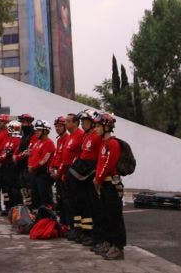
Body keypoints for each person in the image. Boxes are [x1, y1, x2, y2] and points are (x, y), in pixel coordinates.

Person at [92, 112, 125, 260]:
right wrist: (97, 179)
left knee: (114, 217)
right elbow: (99, 164)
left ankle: (118, 247)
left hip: (112, 185)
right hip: (103, 185)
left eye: (98, 126)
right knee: (105, 216)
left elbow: (109, 165)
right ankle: (108, 242)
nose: (96, 129)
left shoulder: (113, 143)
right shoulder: (103, 144)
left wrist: (98, 179)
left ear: (106, 127)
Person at [69, 108, 102, 246]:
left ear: (93, 122)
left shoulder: (96, 137)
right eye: (82, 121)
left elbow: (98, 157)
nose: (82, 124)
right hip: (81, 174)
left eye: (85, 121)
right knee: (80, 204)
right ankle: (81, 231)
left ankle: (90, 234)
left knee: (90, 205)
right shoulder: (86, 136)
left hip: (90, 175)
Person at [27, 119, 56, 209]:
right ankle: (38, 218)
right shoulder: (37, 142)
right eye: (36, 130)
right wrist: (29, 165)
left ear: (45, 131)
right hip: (35, 173)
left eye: (39, 130)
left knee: (45, 197)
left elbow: (44, 160)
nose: (36, 132)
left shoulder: (49, 143)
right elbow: (31, 155)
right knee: (35, 197)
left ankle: (48, 217)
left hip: (43, 174)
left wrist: (33, 167)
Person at [0, 120, 23, 215]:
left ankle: (14, 207)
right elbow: (3, 151)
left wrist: (0, 159)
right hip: (5, 167)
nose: (7, 130)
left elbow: (8, 153)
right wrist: (0, 158)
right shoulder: (9, 139)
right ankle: (7, 206)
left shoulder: (17, 140)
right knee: (5, 189)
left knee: (13, 189)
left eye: (9, 128)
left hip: (12, 168)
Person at [50, 116, 69, 223]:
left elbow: (65, 159)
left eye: (60, 126)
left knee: (65, 200)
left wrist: (59, 173)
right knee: (59, 199)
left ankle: (66, 223)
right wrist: (51, 167)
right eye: (56, 126)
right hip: (58, 174)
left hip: (64, 174)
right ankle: (63, 222)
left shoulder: (67, 139)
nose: (57, 128)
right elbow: (57, 155)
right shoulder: (59, 140)